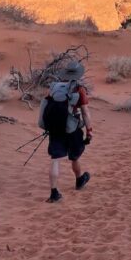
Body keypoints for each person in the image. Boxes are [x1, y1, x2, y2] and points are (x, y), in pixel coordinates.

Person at [38, 61, 93, 203]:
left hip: (55, 128)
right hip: (72, 128)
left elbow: (46, 105)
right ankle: (79, 179)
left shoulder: (54, 87)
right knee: (74, 156)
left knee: (55, 159)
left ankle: (54, 193)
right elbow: (85, 113)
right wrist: (89, 131)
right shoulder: (79, 89)